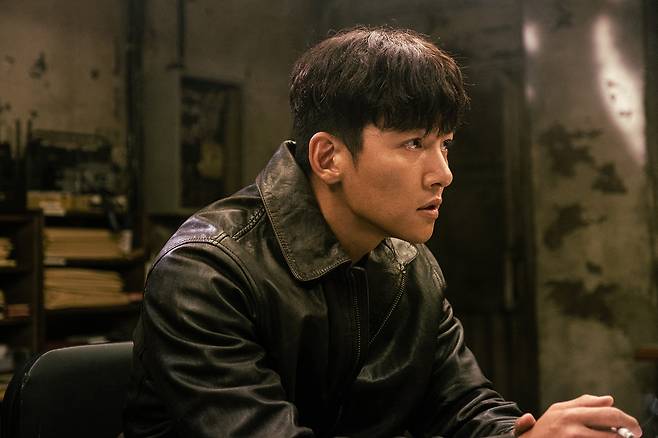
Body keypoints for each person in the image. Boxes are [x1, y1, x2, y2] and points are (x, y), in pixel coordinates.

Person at [123, 26, 642, 438]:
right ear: (329, 157)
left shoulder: (406, 263)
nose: (443, 173)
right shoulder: (207, 272)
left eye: (444, 144)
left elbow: (463, 404)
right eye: (414, 143)